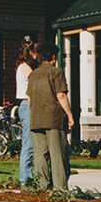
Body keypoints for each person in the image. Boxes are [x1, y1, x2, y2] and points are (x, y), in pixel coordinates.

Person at [27, 41, 74, 191]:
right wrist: (70, 115)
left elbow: (29, 99)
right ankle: (60, 188)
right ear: (54, 57)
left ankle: (42, 186)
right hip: (54, 118)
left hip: (36, 118)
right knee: (57, 154)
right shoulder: (57, 72)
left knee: (40, 155)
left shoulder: (33, 74)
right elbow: (61, 95)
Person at [14, 38, 39, 187]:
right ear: (30, 52)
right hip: (27, 105)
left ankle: (27, 178)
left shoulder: (23, 67)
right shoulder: (26, 69)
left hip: (25, 105)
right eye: (36, 53)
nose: (37, 56)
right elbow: (32, 92)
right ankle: (25, 179)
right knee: (28, 145)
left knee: (29, 144)